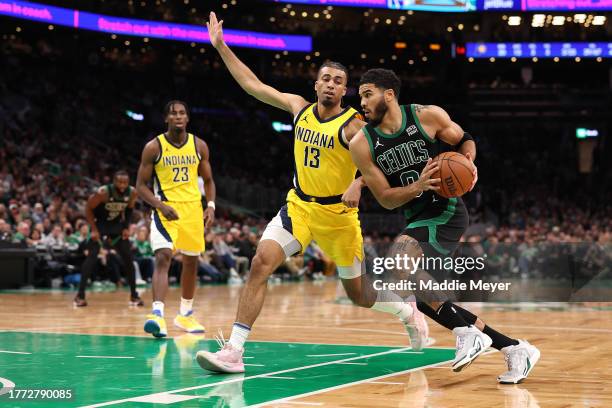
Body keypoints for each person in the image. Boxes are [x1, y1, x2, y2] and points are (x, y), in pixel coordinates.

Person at [196, 12, 427, 374]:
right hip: (299, 207)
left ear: (345, 90)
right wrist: (221, 45)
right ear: (315, 84)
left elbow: (382, 164)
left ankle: (404, 310)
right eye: (326, 79)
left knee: (360, 295)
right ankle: (234, 352)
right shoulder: (298, 108)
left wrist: (359, 182)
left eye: (339, 81)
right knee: (260, 263)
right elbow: (253, 85)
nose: (332, 85)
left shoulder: (354, 126)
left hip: (338, 218)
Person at [349, 68, 540, 384]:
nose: (363, 103)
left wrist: (469, 163)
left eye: (367, 94)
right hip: (416, 215)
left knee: (399, 262)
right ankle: (514, 349)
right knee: (426, 300)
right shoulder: (362, 143)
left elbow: (464, 139)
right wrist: (418, 186)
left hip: (446, 211)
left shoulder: (426, 116)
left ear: (389, 94)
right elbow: (385, 198)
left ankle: (468, 333)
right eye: (360, 97)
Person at [136, 100, 216, 338]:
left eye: (182, 113)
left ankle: (185, 315)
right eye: (173, 113)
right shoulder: (154, 147)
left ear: (187, 118)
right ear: (166, 119)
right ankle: (157, 316)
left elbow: (209, 181)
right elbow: (140, 186)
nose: (178, 117)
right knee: (163, 257)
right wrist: (160, 205)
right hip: (165, 209)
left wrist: (210, 206)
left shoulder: (199, 145)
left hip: (192, 210)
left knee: (192, 262)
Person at [74, 170, 143, 307]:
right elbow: (88, 209)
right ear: (114, 181)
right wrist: (93, 229)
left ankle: (134, 296)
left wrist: (125, 227)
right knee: (91, 258)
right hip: (100, 225)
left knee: (129, 259)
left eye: (125, 182)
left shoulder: (133, 192)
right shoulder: (103, 192)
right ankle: (80, 296)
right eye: (120, 182)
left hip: (116, 226)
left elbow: (129, 210)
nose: (123, 185)